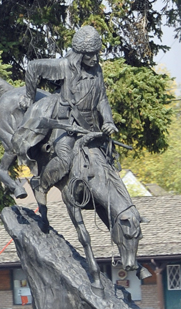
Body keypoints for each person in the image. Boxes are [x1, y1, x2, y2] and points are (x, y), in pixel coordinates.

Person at [12, 25, 118, 201]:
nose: (95, 58)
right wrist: (29, 97)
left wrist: (108, 121)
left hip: (91, 128)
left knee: (108, 161)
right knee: (65, 160)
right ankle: (41, 185)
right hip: (68, 125)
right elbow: (33, 67)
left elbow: (102, 100)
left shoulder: (97, 70)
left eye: (97, 53)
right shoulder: (64, 66)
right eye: (90, 54)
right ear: (79, 54)